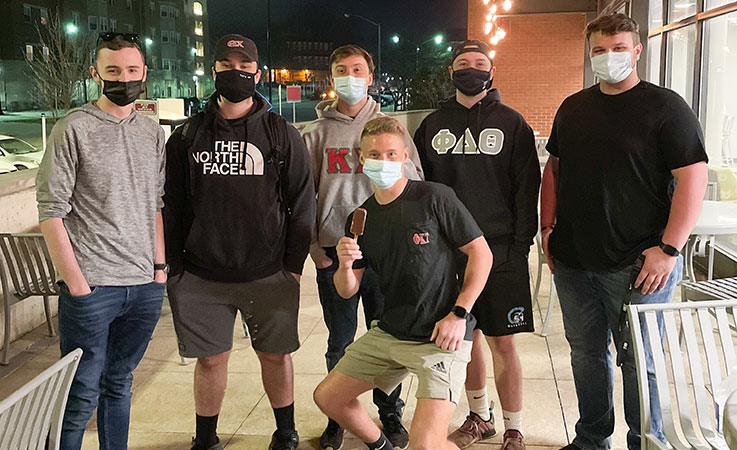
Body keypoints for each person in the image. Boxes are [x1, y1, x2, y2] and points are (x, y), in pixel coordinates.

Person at [540, 14, 708, 450]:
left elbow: (693, 176)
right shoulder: (573, 108)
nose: (608, 57)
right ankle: (592, 438)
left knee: (639, 360)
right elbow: (553, 170)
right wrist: (547, 227)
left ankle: (646, 441)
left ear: (637, 51)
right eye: (599, 49)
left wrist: (669, 248)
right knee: (586, 355)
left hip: (641, 262)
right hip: (575, 260)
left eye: (618, 48)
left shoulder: (666, 107)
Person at [163, 34, 316, 450]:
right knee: (211, 360)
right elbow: (171, 205)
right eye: (227, 65)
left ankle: (285, 432)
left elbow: (303, 205)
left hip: (268, 272)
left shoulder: (282, 134)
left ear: (258, 72)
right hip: (201, 273)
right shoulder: (186, 136)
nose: (236, 72)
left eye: (244, 65)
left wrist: (293, 267)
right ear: (213, 70)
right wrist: (174, 269)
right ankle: (206, 438)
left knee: (275, 356)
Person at [313, 116, 493, 450]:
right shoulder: (361, 218)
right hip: (391, 332)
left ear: (405, 156)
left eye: (391, 154)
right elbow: (347, 289)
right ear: (361, 160)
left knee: (427, 444)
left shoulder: (434, 197)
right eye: (375, 155)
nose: (384, 161)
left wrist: (459, 313)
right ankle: (382, 446)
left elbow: (481, 254)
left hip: (442, 335)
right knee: (328, 397)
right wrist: (345, 264)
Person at [36, 32, 166, 450]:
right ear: (95, 74)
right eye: (112, 71)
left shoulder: (152, 132)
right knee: (79, 396)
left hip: (145, 285)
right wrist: (77, 285)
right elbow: (51, 211)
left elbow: (156, 205)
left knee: (119, 385)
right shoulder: (73, 127)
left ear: (144, 73)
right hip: (93, 288)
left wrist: (159, 270)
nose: (123, 78)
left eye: (131, 70)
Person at [414, 39, 540, 450]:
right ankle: (478, 415)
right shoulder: (432, 125)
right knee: (465, 340)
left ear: (492, 72)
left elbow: (527, 188)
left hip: (501, 247)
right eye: (462, 63)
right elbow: (419, 189)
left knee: (504, 340)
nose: (471, 68)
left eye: (479, 62)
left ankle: (513, 427)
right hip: (448, 251)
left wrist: (521, 245)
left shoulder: (512, 122)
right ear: (451, 72)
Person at [301, 44, 423, 449]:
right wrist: (316, 248)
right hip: (337, 254)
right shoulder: (316, 133)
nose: (350, 76)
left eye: (358, 69)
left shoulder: (391, 128)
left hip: (388, 256)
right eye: (341, 69)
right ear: (332, 77)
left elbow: (414, 186)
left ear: (370, 77)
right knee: (340, 338)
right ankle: (339, 413)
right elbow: (303, 197)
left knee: (390, 338)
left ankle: (389, 413)